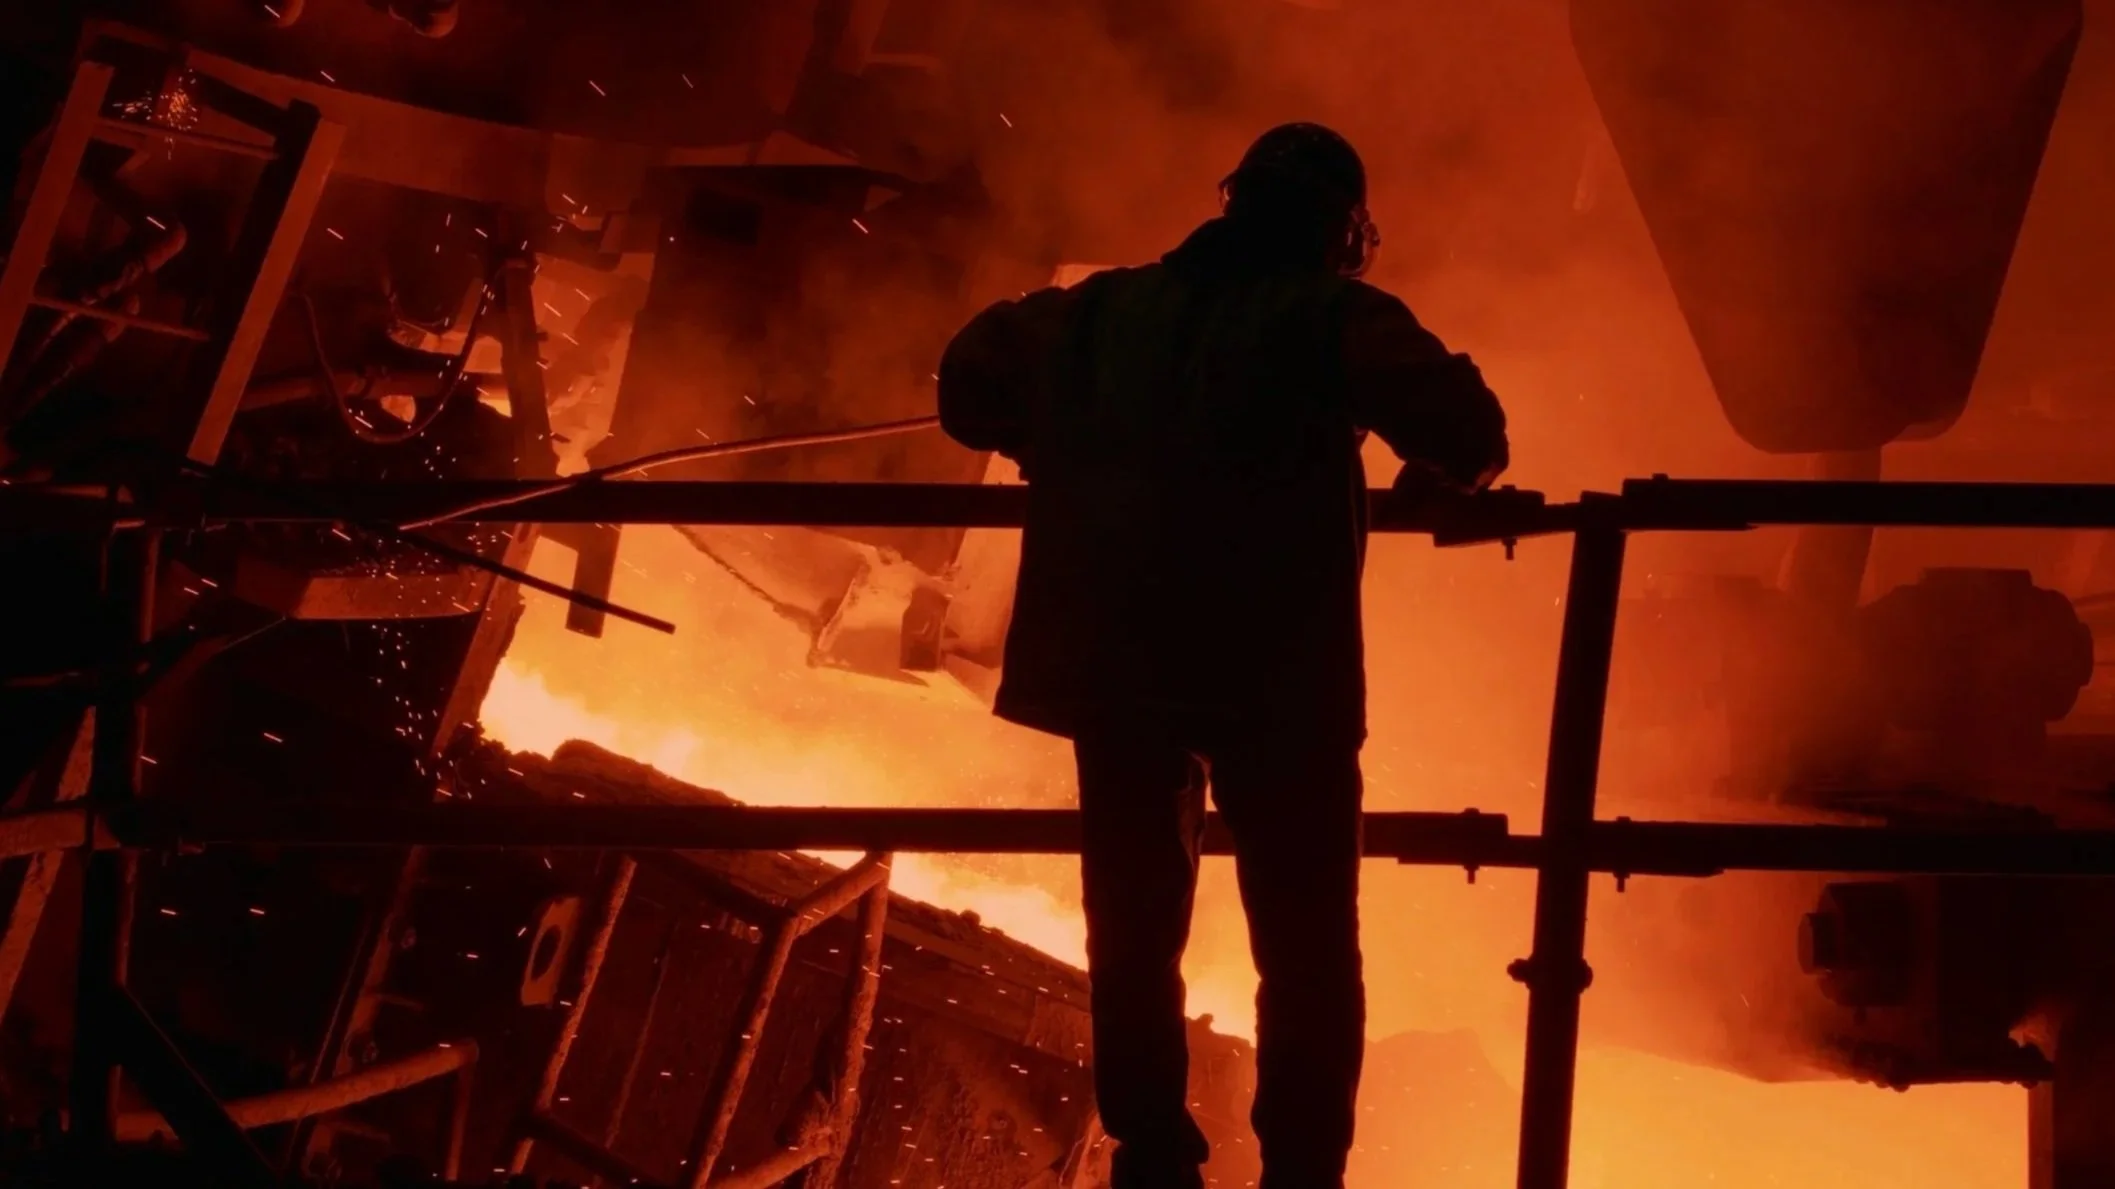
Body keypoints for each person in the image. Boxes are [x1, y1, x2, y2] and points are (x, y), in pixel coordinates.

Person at [937, 123, 1509, 1189]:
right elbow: (1470, 433)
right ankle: (1300, 1169)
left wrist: (1060, 441)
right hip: (1277, 679)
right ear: (1344, 229)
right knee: (1306, 951)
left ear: (1233, 202)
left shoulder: (1099, 312)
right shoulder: (1337, 316)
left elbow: (965, 383)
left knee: (1134, 926)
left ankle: (1153, 1153)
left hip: (1122, 668)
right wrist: (1438, 469)